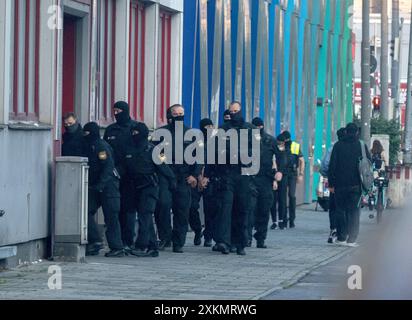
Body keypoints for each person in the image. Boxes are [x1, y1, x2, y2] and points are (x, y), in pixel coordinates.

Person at [122, 122, 176, 257]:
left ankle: (142, 245)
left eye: (136, 133)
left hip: (149, 187)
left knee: (144, 216)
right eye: (132, 133)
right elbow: (124, 167)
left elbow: (165, 168)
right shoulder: (129, 149)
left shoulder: (154, 150)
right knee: (142, 216)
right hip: (134, 188)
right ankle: (152, 246)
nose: (134, 135)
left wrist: (172, 181)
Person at [153, 104, 202, 253]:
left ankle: (178, 242)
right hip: (166, 175)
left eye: (181, 113)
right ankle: (165, 238)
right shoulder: (160, 133)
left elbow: (199, 156)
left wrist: (194, 175)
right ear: (169, 116)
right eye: (176, 114)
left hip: (184, 177)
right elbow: (157, 153)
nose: (179, 116)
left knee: (182, 210)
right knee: (163, 205)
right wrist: (165, 168)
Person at [213, 101, 258, 256]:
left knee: (242, 209)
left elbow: (255, 152)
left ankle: (240, 243)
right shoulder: (223, 129)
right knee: (225, 209)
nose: (233, 114)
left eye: (236, 111)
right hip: (227, 174)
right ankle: (224, 242)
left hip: (244, 175)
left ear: (241, 111)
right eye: (231, 111)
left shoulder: (250, 129)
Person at [82, 122, 124, 257]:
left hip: (108, 186)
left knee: (111, 217)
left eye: (87, 132)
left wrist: (100, 185)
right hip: (97, 186)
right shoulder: (90, 145)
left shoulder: (101, 147)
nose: (85, 135)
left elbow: (108, 167)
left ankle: (117, 247)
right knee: (85, 211)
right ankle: (95, 241)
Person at [104, 101, 140, 254]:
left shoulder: (134, 128)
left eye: (119, 110)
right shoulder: (111, 129)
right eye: (114, 110)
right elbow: (106, 149)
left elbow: (137, 150)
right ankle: (118, 242)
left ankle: (128, 240)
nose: (116, 113)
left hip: (130, 174)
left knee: (129, 209)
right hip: (113, 175)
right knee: (115, 210)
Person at [329, 123, 372, 247]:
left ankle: (341, 237)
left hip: (340, 185)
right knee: (354, 212)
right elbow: (369, 163)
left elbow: (332, 166)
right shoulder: (362, 146)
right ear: (357, 132)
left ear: (346, 132)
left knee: (340, 211)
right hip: (356, 185)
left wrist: (331, 184)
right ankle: (352, 240)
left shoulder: (338, 146)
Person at [249, 117, 282, 248]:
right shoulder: (246, 140)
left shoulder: (270, 140)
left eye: (259, 127)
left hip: (266, 179)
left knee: (263, 210)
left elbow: (280, 157)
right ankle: (247, 237)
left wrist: (279, 173)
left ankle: (260, 238)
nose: (258, 129)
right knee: (249, 210)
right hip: (250, 178)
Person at [188, 118, 215, 246]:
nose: (208, 128)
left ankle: (208, 235)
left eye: (210, 126)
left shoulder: (216, 142)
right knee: (192, 206)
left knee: (210, 209)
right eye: (205, 126)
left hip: (210, 180)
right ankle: (198, 230)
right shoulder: (195, 142)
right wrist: (197, 176)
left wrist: (207, 177)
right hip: (196, 178)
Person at [320, 128, 347, 244]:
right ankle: (344, 232)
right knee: (345, 208)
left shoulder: (333, 148)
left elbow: (325, 166)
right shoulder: (352, 147)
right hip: (349, 183)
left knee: (334, 207)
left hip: (334, 183)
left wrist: (328, 176)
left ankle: (333, 230)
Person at [279, 131, 305, 228]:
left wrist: (301, 174)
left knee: (289, 196)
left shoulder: (294, 146)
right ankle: (285, 219)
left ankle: (290, 220)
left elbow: (301, 160)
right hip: (284, 173)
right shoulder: (282, 145)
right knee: (286, 196)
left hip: (291, 174)